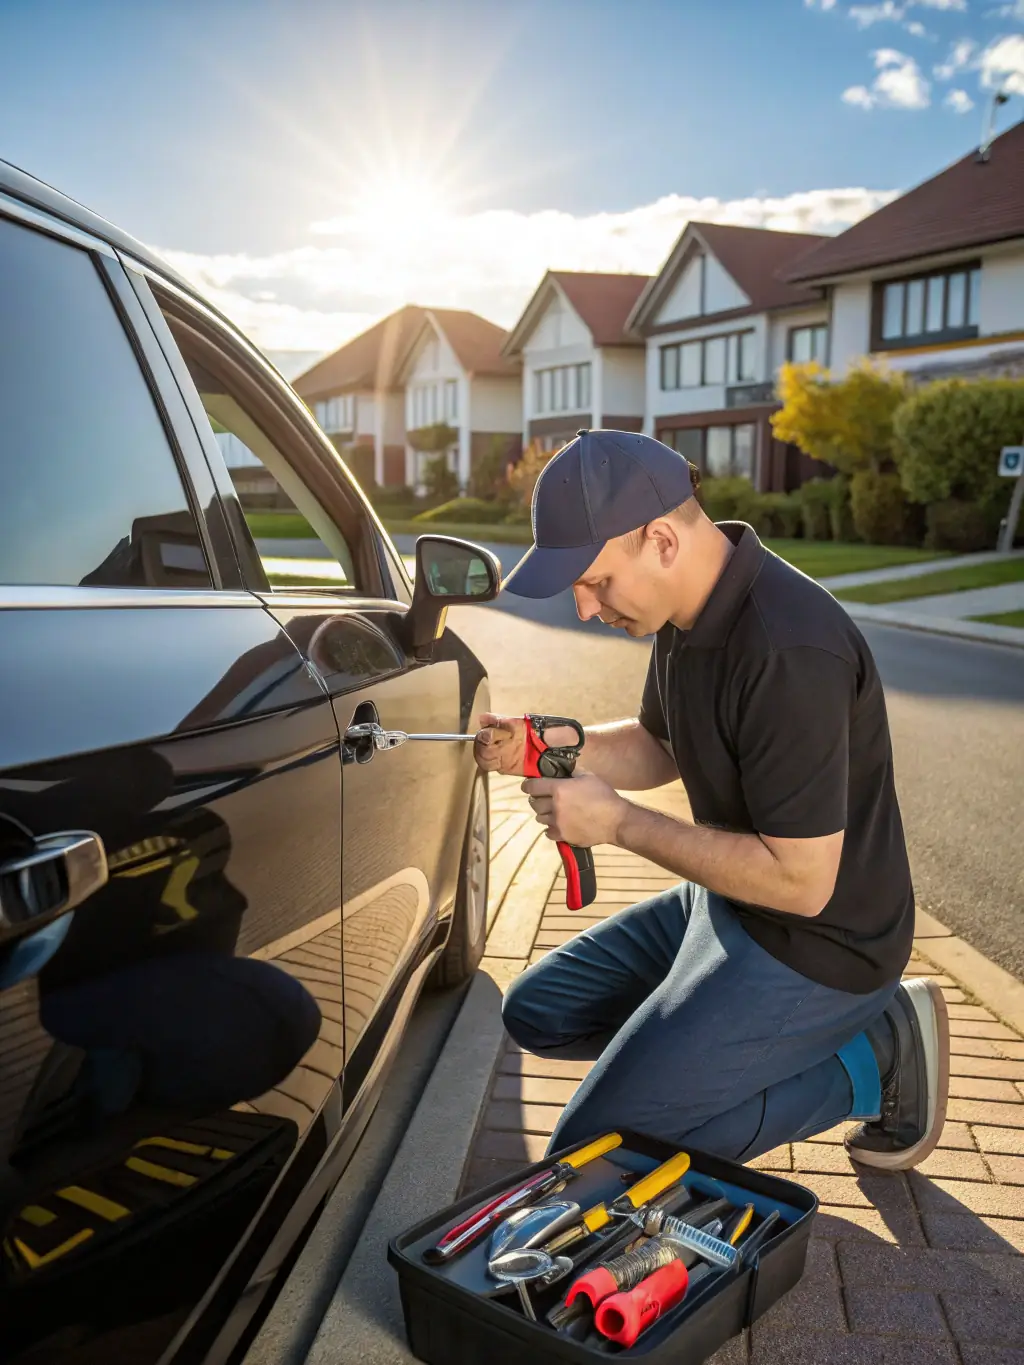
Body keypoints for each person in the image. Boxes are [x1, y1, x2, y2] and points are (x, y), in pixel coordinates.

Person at [475, 428, 948, 1172]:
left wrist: (620, 823)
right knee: (538, 1009)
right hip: (727, 904)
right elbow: (659, 742)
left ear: (660, 538)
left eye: (595, 581)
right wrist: (544, 740)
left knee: (598, 1155)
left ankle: (875, 1056)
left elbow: (801, 881)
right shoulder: (687, 612)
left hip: (823, 945)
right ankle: (696, 1059)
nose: (586, 608)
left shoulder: (790, 649)